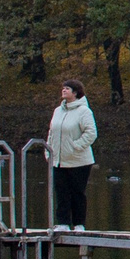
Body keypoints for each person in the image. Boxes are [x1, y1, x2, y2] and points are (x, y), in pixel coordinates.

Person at [46, 78, 97, 232]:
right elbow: (51, 132)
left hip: (79, 160)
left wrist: (76, 147)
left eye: (67, 89)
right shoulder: (58, 111)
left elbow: (91, 133)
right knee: (61, 191)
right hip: (59, 160)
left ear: (75, 93)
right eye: (63, 88)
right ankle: (62, 223)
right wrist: (48, 150)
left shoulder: (84, 111)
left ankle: (79, 224)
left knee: (77, 192)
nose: (64, 90)